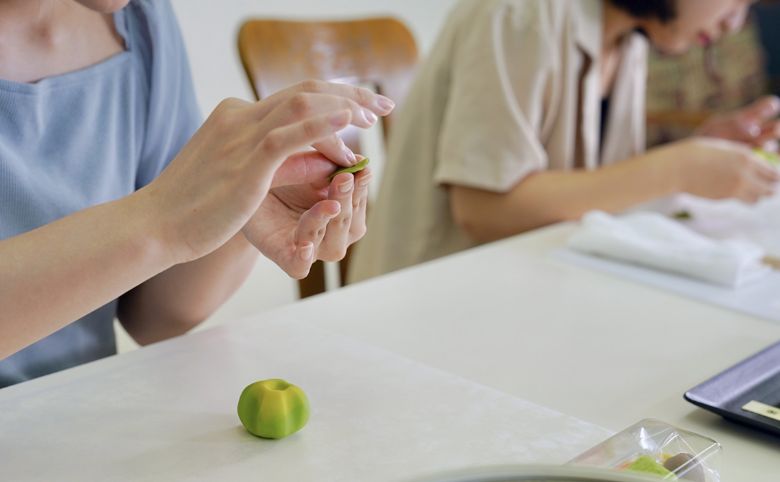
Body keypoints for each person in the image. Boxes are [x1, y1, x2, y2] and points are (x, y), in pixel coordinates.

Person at [0, 0, 395, 387]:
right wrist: (159, 219)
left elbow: (155, 319)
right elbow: (157, 225)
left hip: (72, 422)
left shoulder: (140, 20)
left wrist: (248, 203)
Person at [349, 0, 780, 283]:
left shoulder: (629, 39)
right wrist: (678, 167)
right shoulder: (519, 13)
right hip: (430, 297)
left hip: (529, 284)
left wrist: (705, 146)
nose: (733, 22)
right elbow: (485, 211)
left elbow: (587, 190)